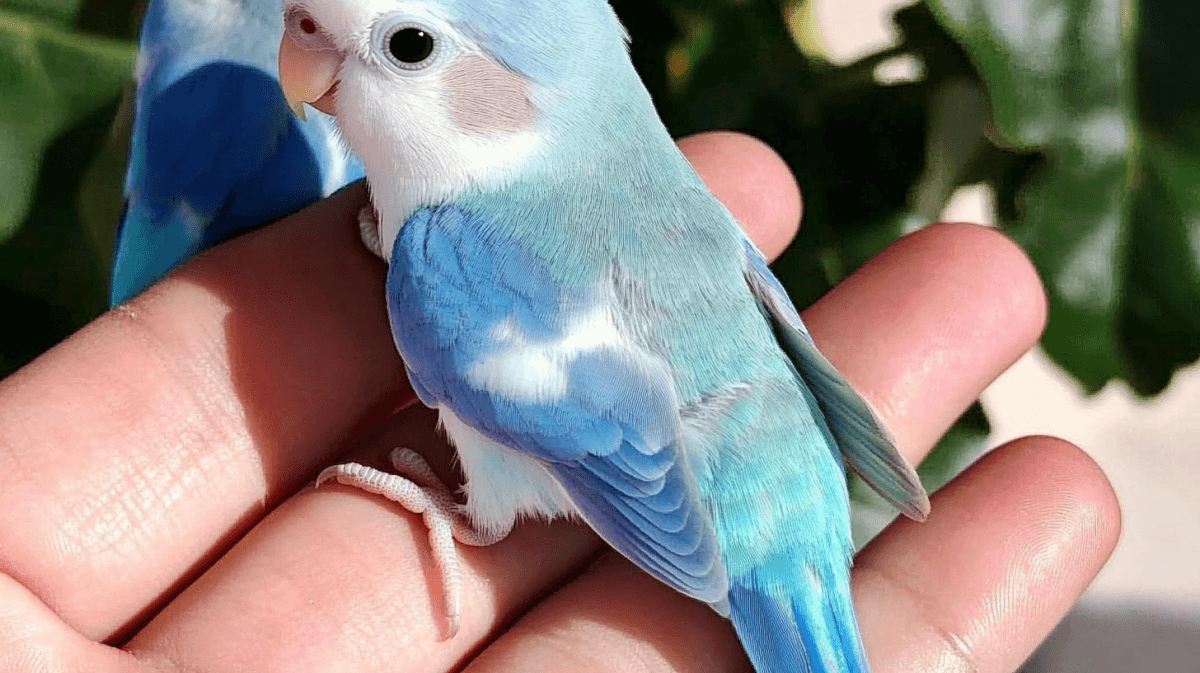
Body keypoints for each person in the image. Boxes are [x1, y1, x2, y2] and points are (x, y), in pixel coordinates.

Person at [0, 132, 1118, 671]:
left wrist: (467, 509)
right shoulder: (618, 158)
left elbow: (590, 427)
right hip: (766, 427)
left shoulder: (444, 258)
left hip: (700, 478)